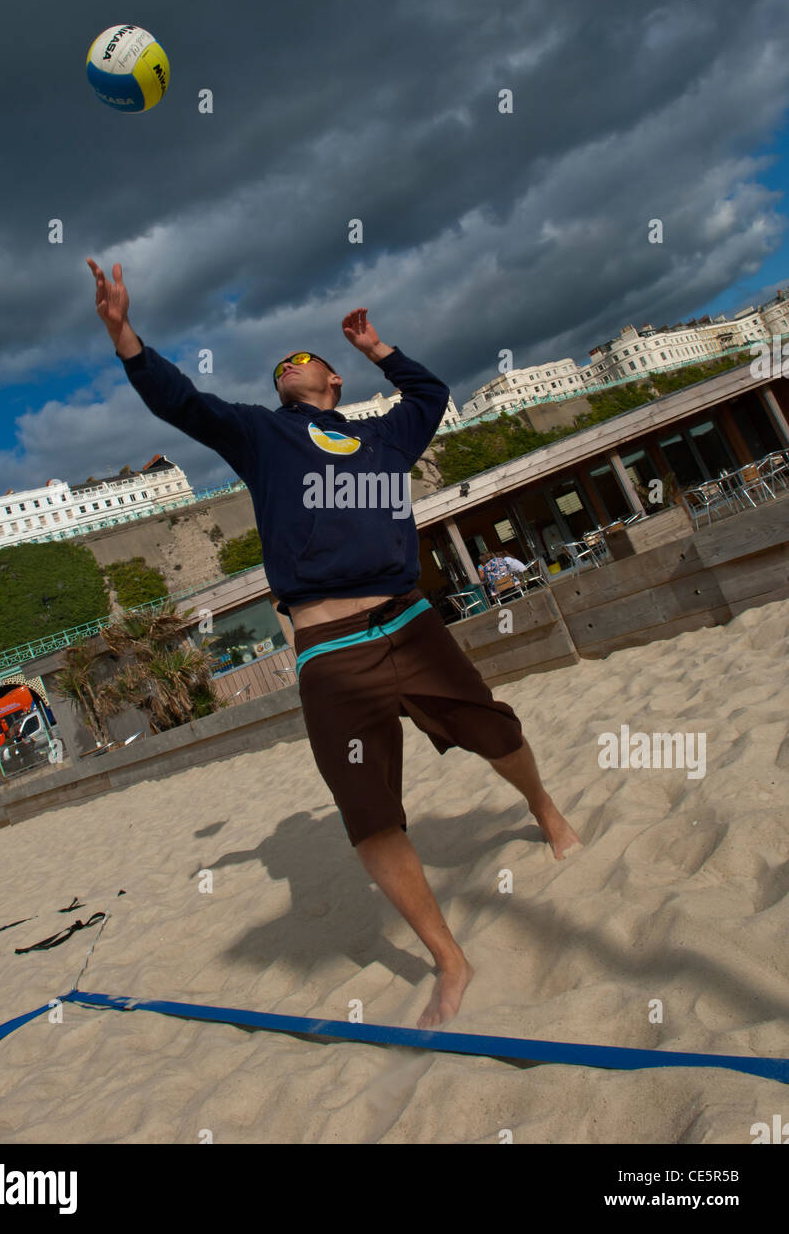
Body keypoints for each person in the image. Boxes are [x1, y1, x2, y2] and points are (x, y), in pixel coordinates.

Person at [87, 258, 581, 1026]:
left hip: (410, 624)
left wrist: (377, 349)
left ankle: (544, 809)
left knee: (492, 728)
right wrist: (124, 334)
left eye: (302, 358)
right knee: (367, 810)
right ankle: (449, 961)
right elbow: (180, 402)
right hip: (330, 651)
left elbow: (432, 395)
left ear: (331, 382)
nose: (289, 363)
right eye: (279, 362)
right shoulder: (258, 435)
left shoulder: (383, 438)